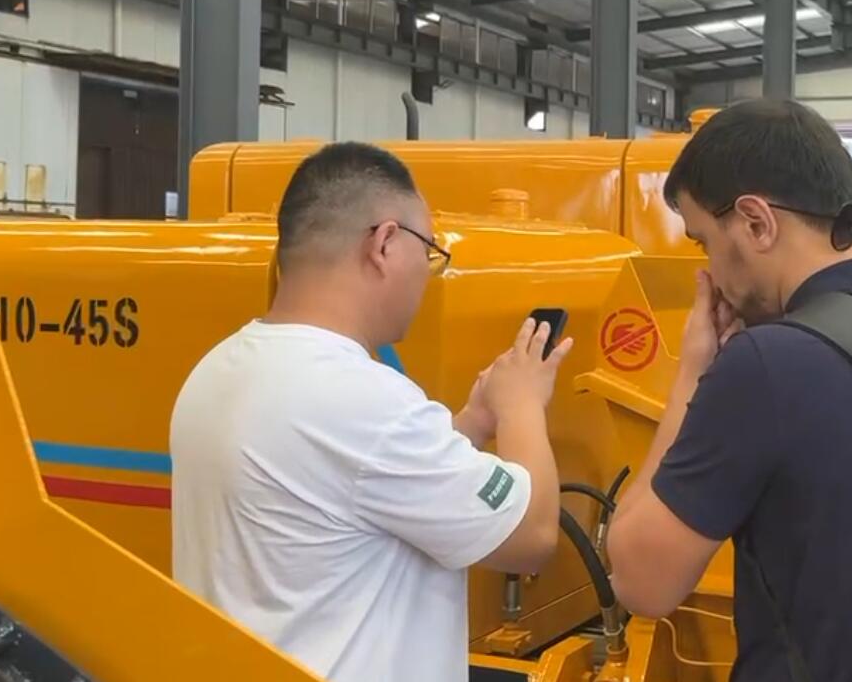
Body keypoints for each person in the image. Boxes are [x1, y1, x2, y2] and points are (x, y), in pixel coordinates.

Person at [606, 100, 852, 682]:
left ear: (756, 222)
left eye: (704, 242)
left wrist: (692, 373)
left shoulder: (767, 365)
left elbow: (641, 582)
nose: (711, 271)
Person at [170, 142, 572, 682]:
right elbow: (532, 536)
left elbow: (356, 486)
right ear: (384, 244)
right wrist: (522, 404)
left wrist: (474, 423)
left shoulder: (218, 369)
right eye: (429, 251)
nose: (428, 272)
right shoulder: (361, 398)